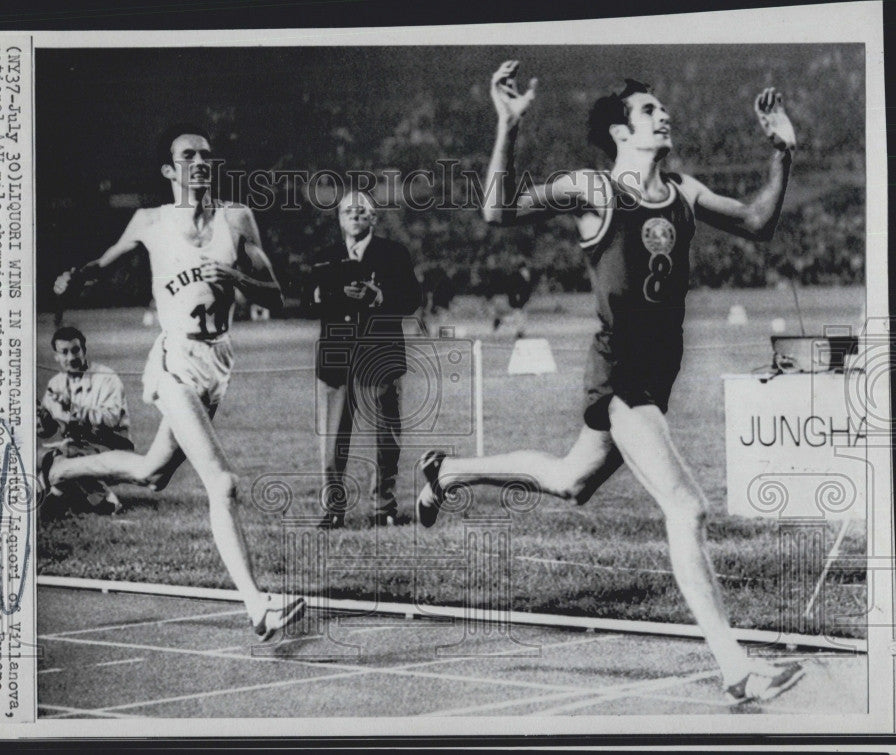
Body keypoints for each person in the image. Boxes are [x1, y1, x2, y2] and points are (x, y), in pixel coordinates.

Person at [416, 62, 803, 704]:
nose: (664, 115)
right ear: (623, 132)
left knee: (571, 480)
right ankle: (735, 667)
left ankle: (445, 473)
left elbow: (759, 221)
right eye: (650, 111)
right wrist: (507, 125)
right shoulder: (593, 189)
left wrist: (783, 152)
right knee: (688, 507)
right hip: (620, 377)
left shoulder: (683, 190)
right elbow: (497, 209)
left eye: (660, 108)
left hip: (657, 377)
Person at [46, 124, 305, 641]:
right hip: (171, 363)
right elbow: (104, 262)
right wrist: (75, 275)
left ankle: (61, 469)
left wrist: (237, 280)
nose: (200, 163)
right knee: (223, 483)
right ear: (169, 169)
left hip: (216, 366)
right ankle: (258, 607)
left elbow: (277, 293)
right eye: (188, 156)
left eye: (207, 155)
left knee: (151, 472)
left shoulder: (238, 218)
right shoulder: (150, 221)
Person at [313, 190, 423, 528]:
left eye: (363, 211)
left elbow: (412, 299)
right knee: (331, 442)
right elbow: (305, 297)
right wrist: (329, 295)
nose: (356, 215)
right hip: (336, 359)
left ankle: (383, 507)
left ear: (374, 218)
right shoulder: (325, 256)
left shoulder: (394, 253)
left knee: (385, 438)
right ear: (340, 219)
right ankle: (333, 510)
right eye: (349, 210)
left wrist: (380, 297)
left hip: (380, 356)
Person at [38, 326, 133, 515]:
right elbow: (47, 431)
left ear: (84, 350)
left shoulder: (106, 378)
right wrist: (41, 419)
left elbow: (111, 419)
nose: (71, 357)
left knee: (66, 454)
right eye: (64, 352)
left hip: (113, 445)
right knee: (39, 458)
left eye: (75, 350)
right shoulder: (55, 383)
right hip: (76, 446)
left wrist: (74, 408)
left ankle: (107, 502)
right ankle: (67, 494)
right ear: (56, 356)